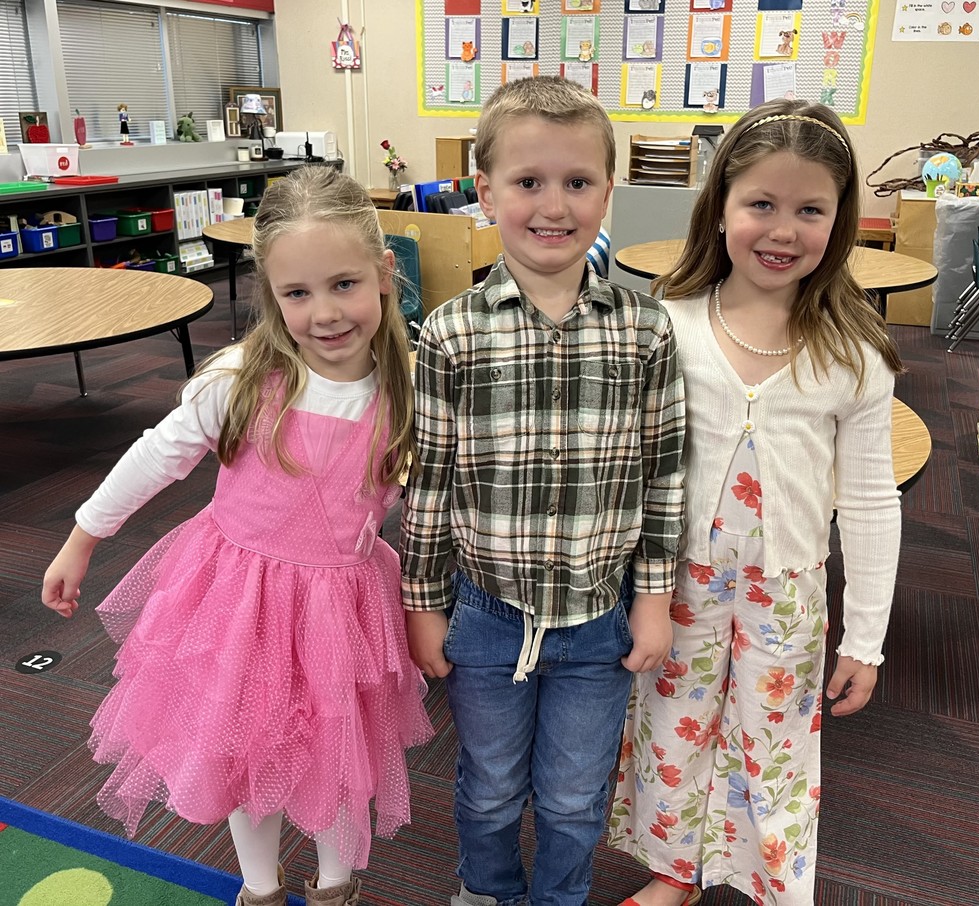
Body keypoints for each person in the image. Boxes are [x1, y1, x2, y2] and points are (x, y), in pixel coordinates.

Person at [40, 167, 433, 906]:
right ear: (270, 293)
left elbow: (424, 502)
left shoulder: (404, 389)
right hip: (236, 604)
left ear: (385, 274)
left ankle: (336, 884)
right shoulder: (242, 380)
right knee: (240, 750)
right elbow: (157, 455)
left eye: (344, 284)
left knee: (335, 752)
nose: (325, 313)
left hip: (340, 612)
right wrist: (82, 536)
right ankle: (257, 888)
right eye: (297, 293)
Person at [607, 98, 904, 906]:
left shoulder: (855, 352)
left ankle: (770, 883)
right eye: (760, 205)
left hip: (789, 588)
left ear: (839, 220)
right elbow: (625, 469)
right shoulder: (666, 326)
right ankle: (677, 873)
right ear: (721, 208)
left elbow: (874, 502)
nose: (783, 229)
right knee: (672, 731)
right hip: (678, 581)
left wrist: (867, 639)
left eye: (810, 209)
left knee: (770, 746)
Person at [400, 75, 687, 906]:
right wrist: (423, 604)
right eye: (528, 183)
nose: (553, 206)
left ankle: (559, 897)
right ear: (485, 192)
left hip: (599, 616)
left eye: (577, 182)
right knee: (487, 788)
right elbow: (430, 483)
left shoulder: (645, 327)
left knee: (571, 796)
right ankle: (485, 890)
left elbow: (663, 471)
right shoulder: (451, 332)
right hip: (486, 613)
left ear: (609, 189)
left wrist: (655, 598)